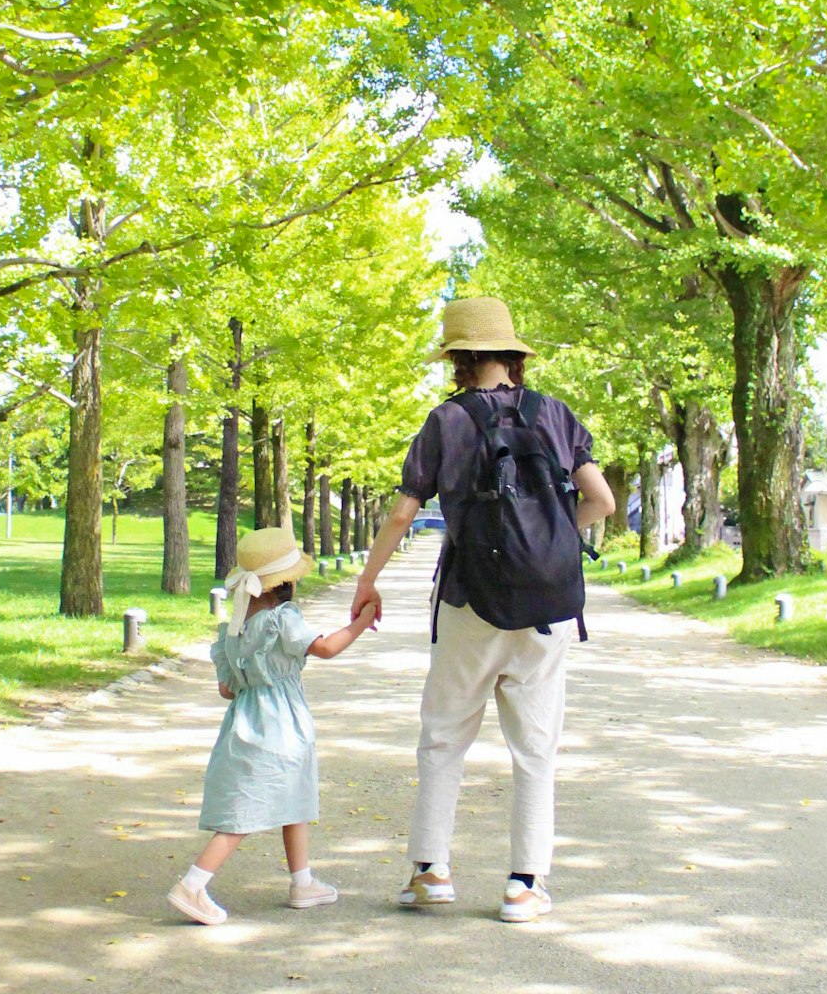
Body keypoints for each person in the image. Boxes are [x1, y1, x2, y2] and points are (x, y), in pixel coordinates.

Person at [352, 296, 615, 924]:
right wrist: (553, 537)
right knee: (535, 748)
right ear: (513, 356)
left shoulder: (446, 422)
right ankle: (524, 885)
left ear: (460, 359)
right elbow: (601, 501)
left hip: (469, 600)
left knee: (443, 736)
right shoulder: (556, 415)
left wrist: (368, 580)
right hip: (546, 605)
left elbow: (401, 513)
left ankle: (431, 873)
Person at [167, 527, 378, 925]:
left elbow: (227, 689)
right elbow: (326, 648)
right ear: (286, 583)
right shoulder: (283, 619)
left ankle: (303, 881)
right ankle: (192, 884)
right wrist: (362, 622)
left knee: (290, 798)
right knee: (246, 811)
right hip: (283, 728)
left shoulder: (233, 630)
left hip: (243, 725)